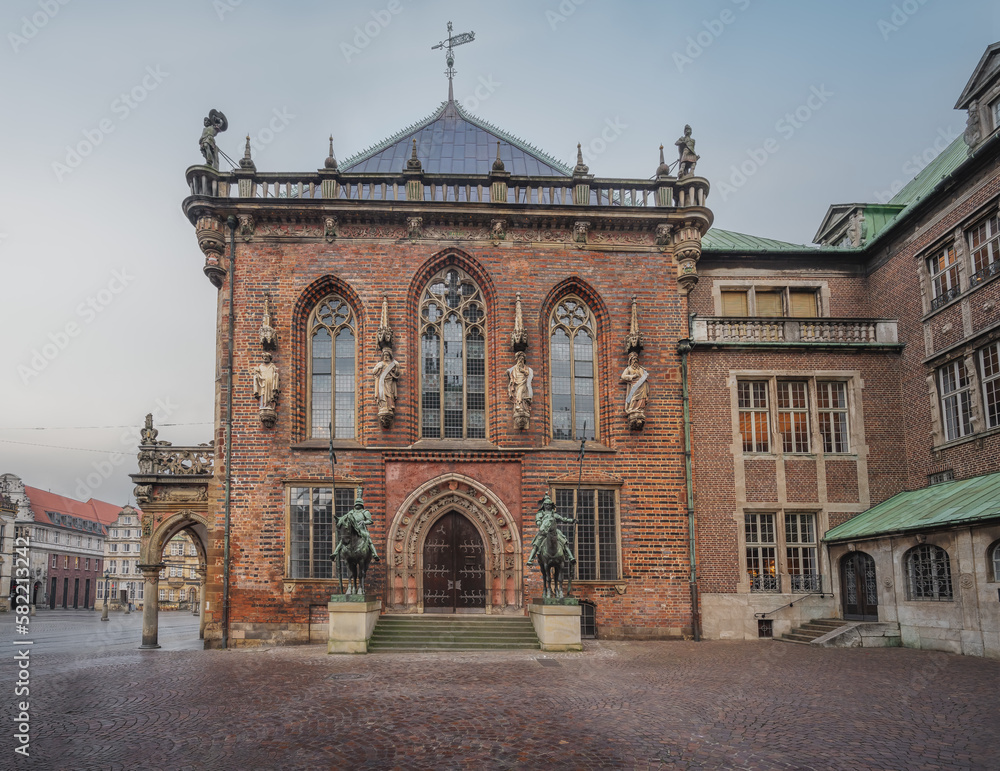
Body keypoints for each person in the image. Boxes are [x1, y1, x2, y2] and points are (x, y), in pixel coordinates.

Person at [527, 494, 575, 565]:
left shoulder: (553, 514)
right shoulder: (540, 513)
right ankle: (530, 559)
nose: (548, 506)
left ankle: (571, 557)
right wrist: (540, 525)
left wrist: (572, 520)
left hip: (554, 532)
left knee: (564, 542)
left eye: (549, 505)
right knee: (536, 544)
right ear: (544, 505)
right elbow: (538, 521)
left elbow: (563, 519)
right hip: (543, 531)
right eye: (546, 504)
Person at [332, 497, 380, 562]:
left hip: (362, 530)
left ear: (361, 505)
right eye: (357, 504)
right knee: (343, 539)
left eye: (359, 504)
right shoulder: (351, 512)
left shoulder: (365, 512)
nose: (358, 505)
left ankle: (375, 554)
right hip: (352, 530)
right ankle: (335, 553)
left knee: (368, 539)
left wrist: (364, 522)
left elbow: (370, 521)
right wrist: (338, 519)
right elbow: (344, 518)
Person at [372, 348, 400, 418]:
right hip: (382, 382)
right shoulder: (380, 364)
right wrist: (378, 368)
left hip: (389, 381)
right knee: (383, 394)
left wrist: (397, 366)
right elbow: (374, 372)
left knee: (389, 393)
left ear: (390, 356)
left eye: (387, 355)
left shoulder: (393, 364)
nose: (386, 356)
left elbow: (397, 373)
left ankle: (390, 406)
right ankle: (383, 406)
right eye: (384, 355)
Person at [620, 352, 649, 418]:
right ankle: (632, 408)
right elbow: (623, 376)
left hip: (642, 386)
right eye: (633, 359)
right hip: (634, 386)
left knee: (642, 399)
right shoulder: (628, 369)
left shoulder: (641, 369)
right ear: (630, 361)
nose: (635, 360)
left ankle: (639, 409)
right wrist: (632, 376)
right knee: (634, 398)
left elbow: (645, 378)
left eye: (636, 359)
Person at [506, 351, 533, 415]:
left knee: (520, 392)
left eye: (522, 359)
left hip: (523, 382)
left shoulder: (526, 368)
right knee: (518, 392)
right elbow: (509, 371)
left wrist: (523, 371)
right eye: (519, 359)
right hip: (517, 383)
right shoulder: (515, 367)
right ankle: (518, 405)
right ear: (517, 359)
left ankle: (520, 405)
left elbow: (528, 373)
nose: (520, 360)